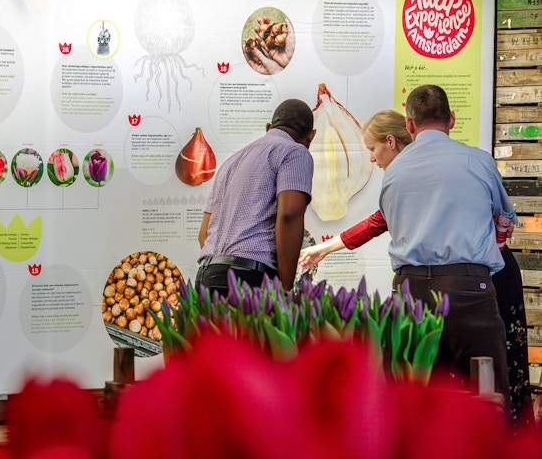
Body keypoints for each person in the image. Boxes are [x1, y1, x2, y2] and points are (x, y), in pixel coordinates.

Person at [298, 108, 532, 423]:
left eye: (372, 149)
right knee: (487, 383)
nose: (371, 158)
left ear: (393, 139)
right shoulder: (471, 160)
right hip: (479, 278)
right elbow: (503, 222)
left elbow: (378, 222)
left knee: (452, 383)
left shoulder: (400, 173)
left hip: (463, 281)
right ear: (450, 119)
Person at [380, 84, 516, 406]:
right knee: (487, 394)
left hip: (410, 293)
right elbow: (505, 221)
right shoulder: (479, 162)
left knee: (415, 398)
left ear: (409, 124)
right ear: (451, 119)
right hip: (469, 291)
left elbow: (389, 220)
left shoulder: (392, 171)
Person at [196, 98, 316, 296]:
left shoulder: (231, 161)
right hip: (249, 278)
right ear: (311, 136)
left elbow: (204, 233)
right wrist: (285, 289)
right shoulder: (294, 152)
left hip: (207, 276)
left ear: (269, 127)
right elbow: (289, 216)